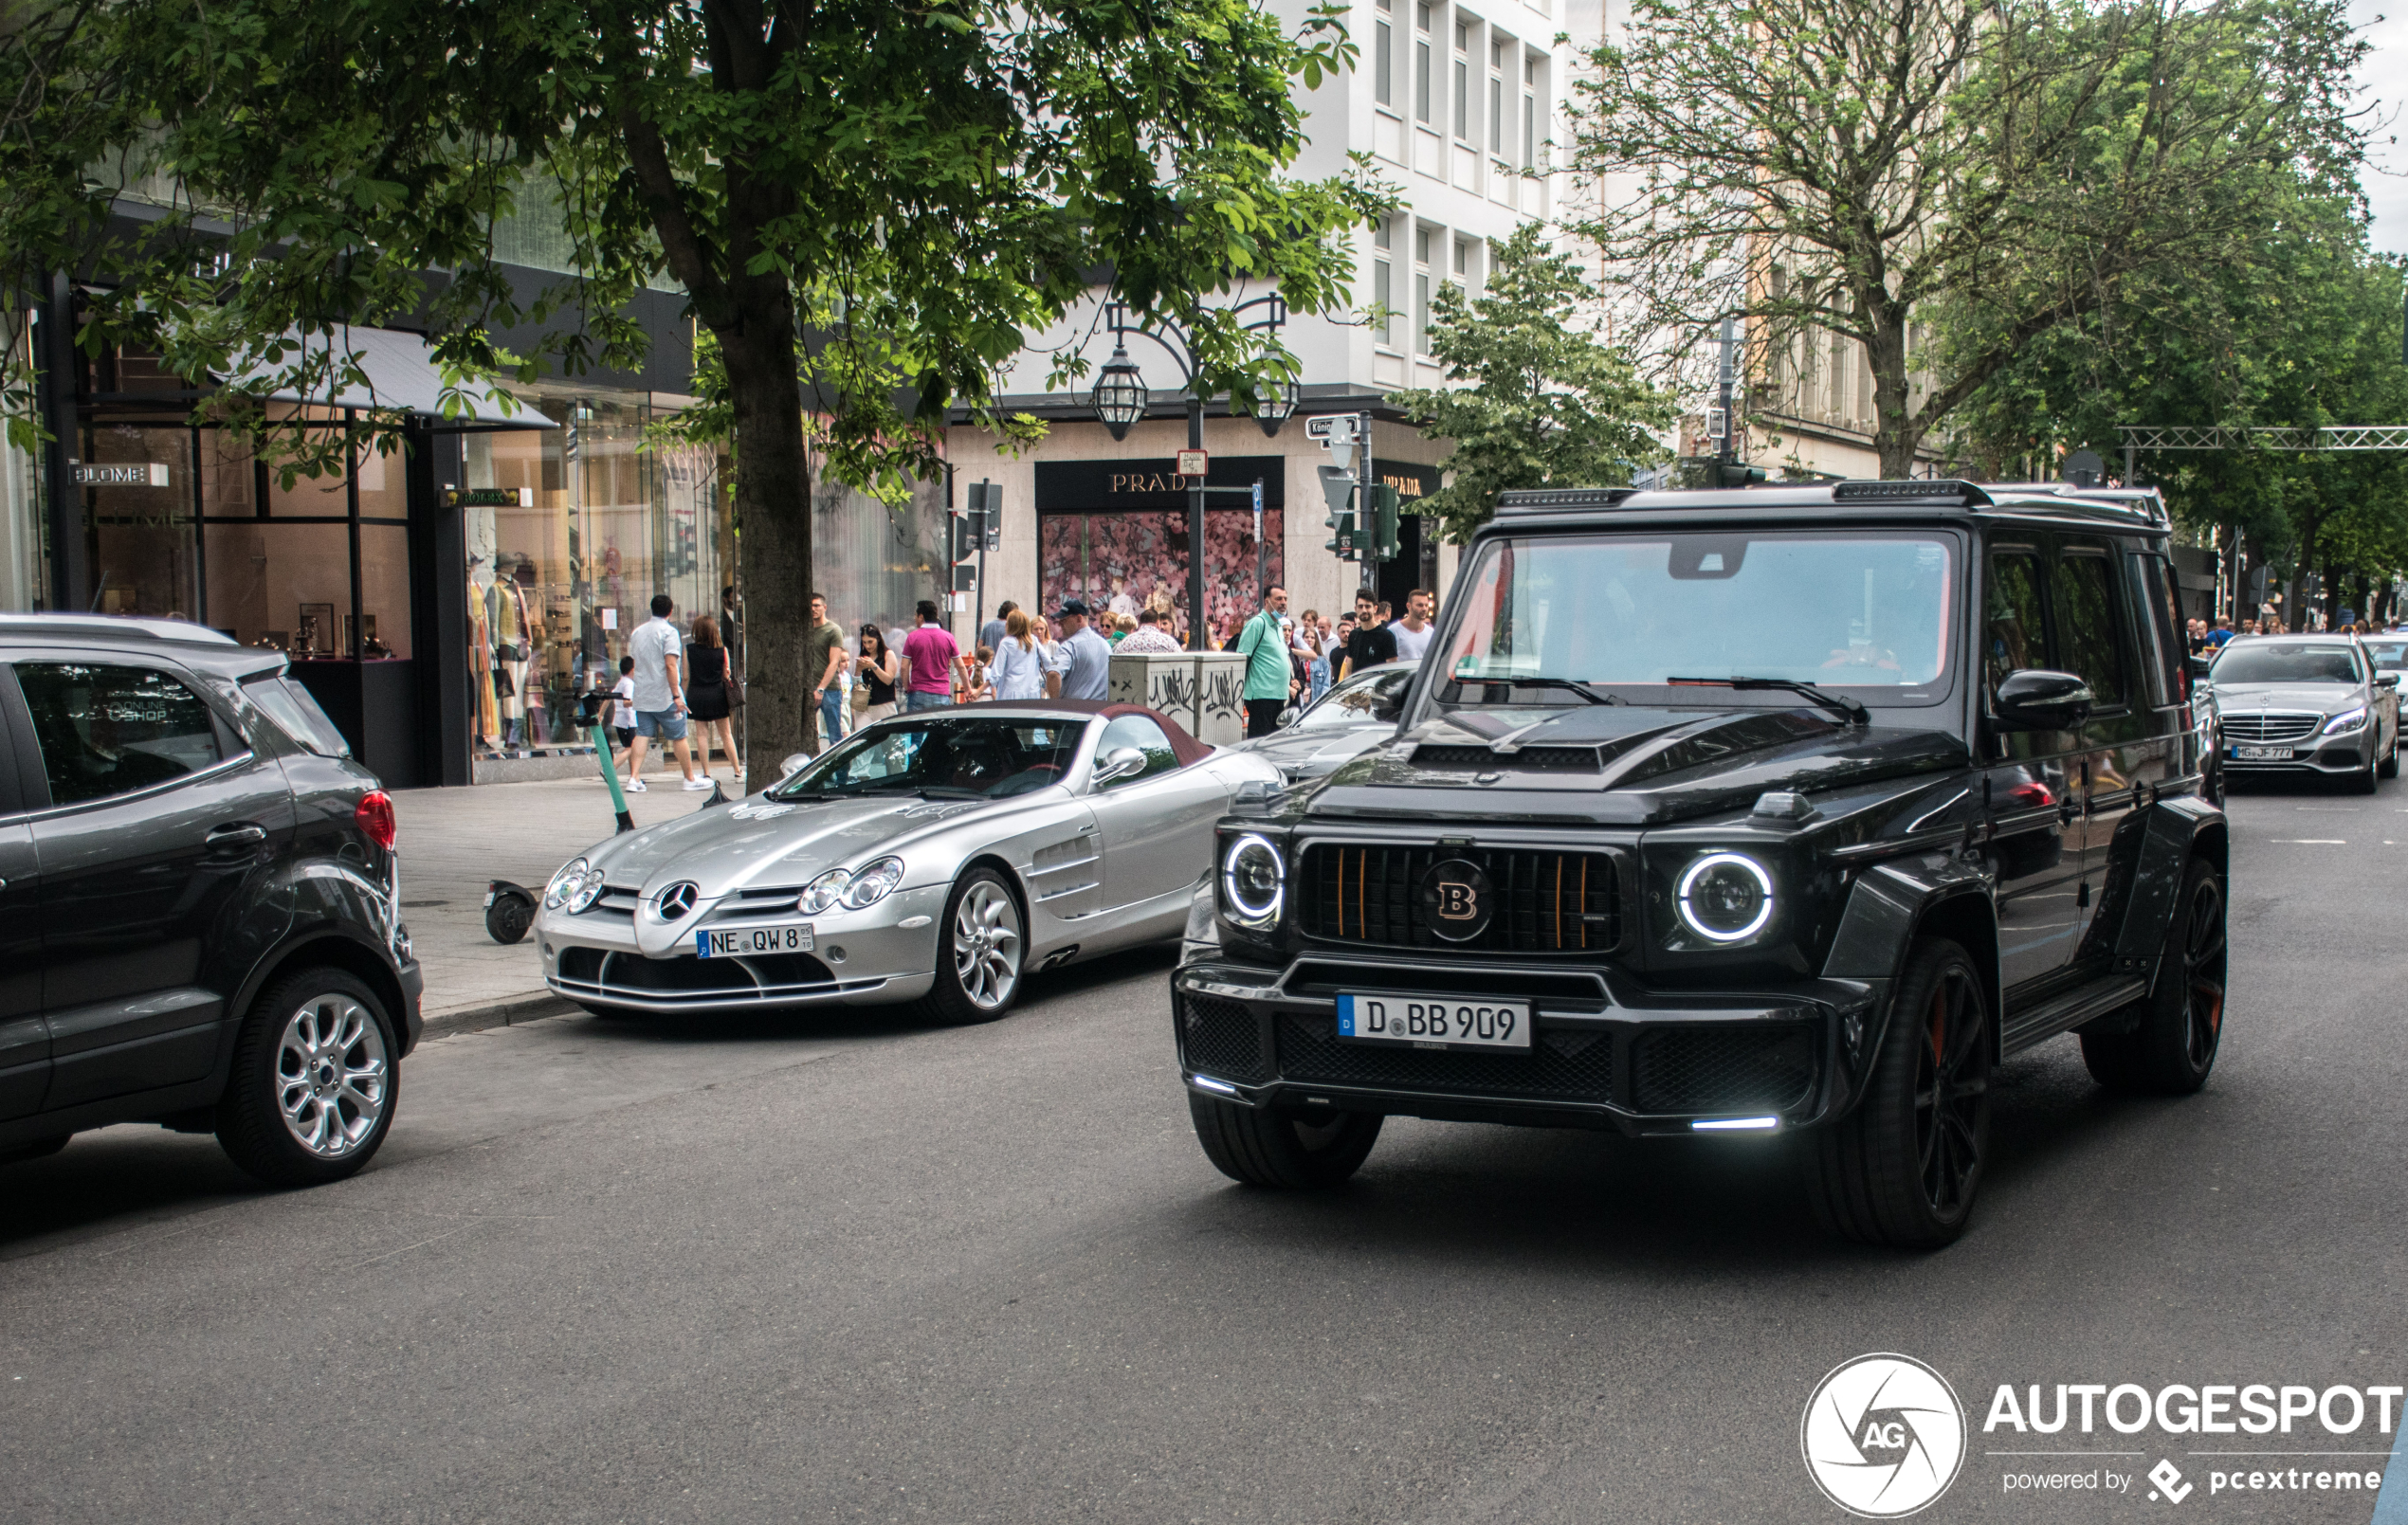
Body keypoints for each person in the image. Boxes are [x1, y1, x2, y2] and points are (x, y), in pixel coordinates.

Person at [625, 593, 708, 791]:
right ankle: (689, 778)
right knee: (679, 737)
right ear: (670, 611)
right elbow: (671, 665)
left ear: (651, 609)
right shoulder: (669, 633)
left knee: (642, 735)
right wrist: (677, 696)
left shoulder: (637, 632)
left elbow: (636, 661)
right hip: (665, 695)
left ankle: (634, 778)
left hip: (643, 692)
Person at [1231, 586, 1295, 738]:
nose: (1283, 603)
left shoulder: (1279, 626)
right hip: (1261, 697)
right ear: (1267, 601)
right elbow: (1242, 657)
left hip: (1278, 696)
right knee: (1260, 742)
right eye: (1278, 599)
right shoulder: (1257, 624)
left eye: (1285, 599)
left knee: (1274, 743)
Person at [684, 613, 741, 783]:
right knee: (726, 734)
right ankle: (737, 771)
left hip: (696, 693)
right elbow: (726, 675)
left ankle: (707, 772)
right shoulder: (722, 650)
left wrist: (683, 695)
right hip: (717, 693)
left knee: (701, 735)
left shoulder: (689, 649)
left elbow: (686, 676)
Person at [800, 591, 849, 754]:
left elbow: (834, 662)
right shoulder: (804, 630)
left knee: (835, 735)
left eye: (816, 605)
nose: (813, 609)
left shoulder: (833, 630)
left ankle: (842, 777)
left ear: (824, 607)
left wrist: (821, 688)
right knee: (805, 734)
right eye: (811, 606)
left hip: (830, 689)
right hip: (807, 687)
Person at [1045, 598, 1111, 700]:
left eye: (1064, 620)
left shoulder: (1070, 646)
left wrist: (1055, 704)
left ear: (1079, 619)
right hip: (1101, 712)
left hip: (1075, 711)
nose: (1060, 624)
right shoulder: (1105, 645)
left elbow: (1053, 674)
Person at [903, 599, 960, 711]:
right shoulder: (948, 637)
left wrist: (907, 688)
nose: (914, 618)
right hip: (941, 694)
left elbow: (904, 667)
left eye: (915, 615)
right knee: (939, 728)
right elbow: (961, 666)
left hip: (918, 693)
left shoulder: (912, 637)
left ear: (921, 617)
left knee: (916, 728)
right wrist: (967, 688)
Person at [1338, 590, 1397, 681]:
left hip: (1377, 691)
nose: (1364, 610)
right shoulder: (1353, 635)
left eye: (1368, 606)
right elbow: (1349, 670)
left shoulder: (1387, 636)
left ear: (1375, 609)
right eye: (1360, 607)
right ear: (1355, 609)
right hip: (1356, 690)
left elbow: (1391, 672)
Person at [991, 608, 1049, 698]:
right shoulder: (1033, 640)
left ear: (1009, 625)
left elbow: (996, 673)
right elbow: (1048, 661)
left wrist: (980, 690)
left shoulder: (1006, 643)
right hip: (1032, 692)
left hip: (1010, 692)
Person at [854, 624, 901, 723]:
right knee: (862, 734)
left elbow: (888, 680)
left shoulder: (888, 654)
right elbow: (857, 682)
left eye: (870, 642)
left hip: (884, 703)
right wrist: (858, 669)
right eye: (864, 642)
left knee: (886, 736)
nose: (867, 646)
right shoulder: (863, 654)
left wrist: (873, 666)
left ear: (878, 639)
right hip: (865, 705)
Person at [608, 655, 637, 775]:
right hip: (628, 721)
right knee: (630, 749)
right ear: (632, 670)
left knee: (631, 749)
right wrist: (640, 702)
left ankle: (634, 776)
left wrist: (600, 714)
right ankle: (609, 771)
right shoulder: (629, 684)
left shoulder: (621, 682)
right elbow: (626, 702)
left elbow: (609, 697)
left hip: (619, 720)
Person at [1389, 588, 1435, 662]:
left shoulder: (1431, 632)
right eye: (1420, 605)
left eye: (1426, 605)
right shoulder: (1393, 631)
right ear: (1408, 606)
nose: (1424, 609)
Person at [1113, 606, 1183, 655]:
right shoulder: (1169, 642)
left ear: (1140, 623)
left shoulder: (1125, 642)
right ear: (1158, 623)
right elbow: (1182, 662)